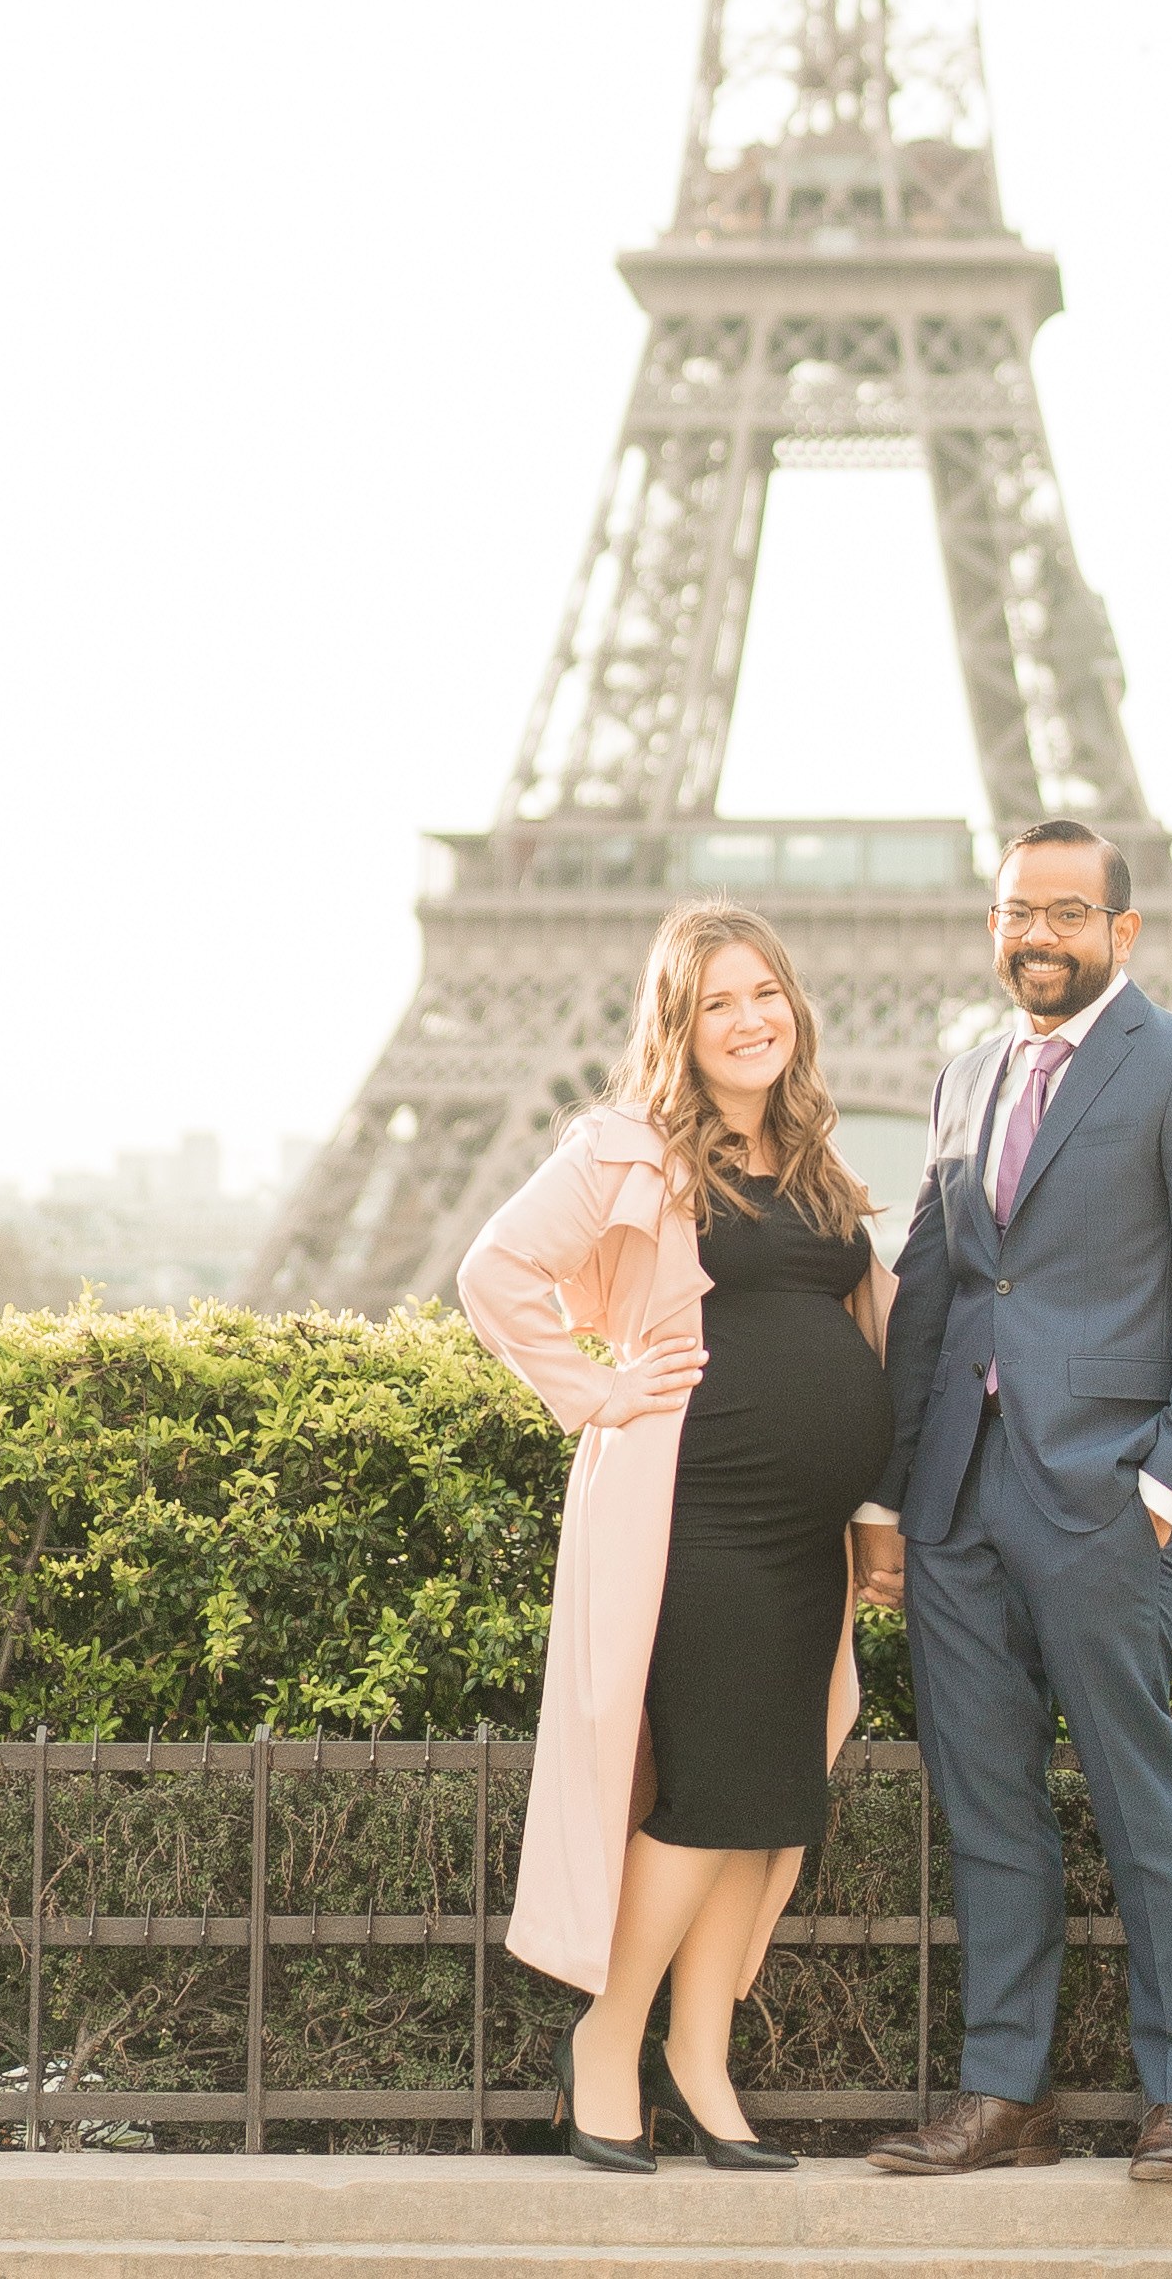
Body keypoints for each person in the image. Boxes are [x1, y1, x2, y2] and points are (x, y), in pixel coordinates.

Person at [856, 820, 1172, 2188]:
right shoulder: (966, 1075)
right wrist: (890, 1494)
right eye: (1012, 913)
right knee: (987, 1808)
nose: (1035, 935)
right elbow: (932, 1293)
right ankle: (1005, 2092)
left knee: (1134, 1793)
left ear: (1120, 930)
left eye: (1064, 912)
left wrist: (1164, 1488)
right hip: (959, 1506)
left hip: (1104, 1500)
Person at [458, 903, 898, 2175]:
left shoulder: (814, 1159)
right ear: (679, 1024)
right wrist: (591, 1389)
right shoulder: (630, 1148)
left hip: (805, 1532)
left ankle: (703, 2065)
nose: (750, 1017)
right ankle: (607, 2038)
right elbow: (494, 1269)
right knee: (705, 1795)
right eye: (718, 1001)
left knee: (771, 1802)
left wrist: (873, 1510)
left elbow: (866, 1335)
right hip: (696, 1517)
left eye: (766, 992)